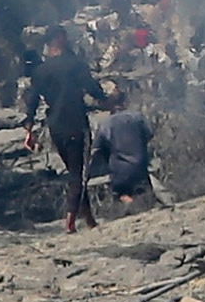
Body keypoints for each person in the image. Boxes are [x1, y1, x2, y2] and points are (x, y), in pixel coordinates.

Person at [21, 26, 101, 234]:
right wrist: (107, 101)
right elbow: (92, 87)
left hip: (55, 126)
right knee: (78, 173)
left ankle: (89, 219)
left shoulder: (40, 71)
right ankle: (70, 222)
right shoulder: (74, 64)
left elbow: (32, 101)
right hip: (75, 122)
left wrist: (29, 129)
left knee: (75, 171)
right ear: (61, 39)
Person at [94, 93, 157, 211]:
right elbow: (149, 134)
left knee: (120, 193)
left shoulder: (105, 124)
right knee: (145, 192)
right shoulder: (138, 117)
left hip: (119, 170)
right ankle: (142, 205)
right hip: (141, 165)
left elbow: (98, 148)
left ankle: (131, 204)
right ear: (125, 102)